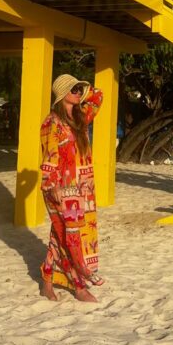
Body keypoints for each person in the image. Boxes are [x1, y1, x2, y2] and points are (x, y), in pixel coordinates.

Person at [39, 74, 104, 303]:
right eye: (73, 89)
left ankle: (47, 278)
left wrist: (84, 89)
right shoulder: (51, 122)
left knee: (63, 235)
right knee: (71, 237)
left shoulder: (80, 118)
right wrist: (52, 184)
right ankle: (80, 283)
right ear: (61, 94)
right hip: (58, 187)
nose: (78, 92)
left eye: (78, 89)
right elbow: (49, 154)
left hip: (81, 187)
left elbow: (98, 97)